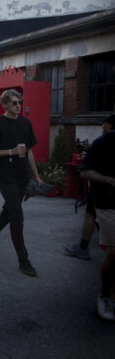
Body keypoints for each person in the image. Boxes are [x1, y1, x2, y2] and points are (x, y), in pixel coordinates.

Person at [0, 89, 42, 277]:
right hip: (6, 176)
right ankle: (24, 260)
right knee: (17, 216)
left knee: (9, 212)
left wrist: (36, 175)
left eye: (19, 102)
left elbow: (29, 151)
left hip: (22, 175)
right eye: (14, 103)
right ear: (5, 104)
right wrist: (10, 152)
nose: (18, 106)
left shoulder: (25, 123)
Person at [64, 114, 115, 261]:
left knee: (92, 216)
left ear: (109, 125)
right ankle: (84, 246)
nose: (102, 127)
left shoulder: (103, 141)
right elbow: (85, 171)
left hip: (103, 194)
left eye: (103, 124)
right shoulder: (104, 141)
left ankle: (86, 246)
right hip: (101, 192)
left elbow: (84, 171)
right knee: (91, 215)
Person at [78, 121, 115, 321]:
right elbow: (84, 172)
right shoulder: (106, 141)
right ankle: (104, 296)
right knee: (114, 251)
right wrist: (110, 180)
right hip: (109, 202)